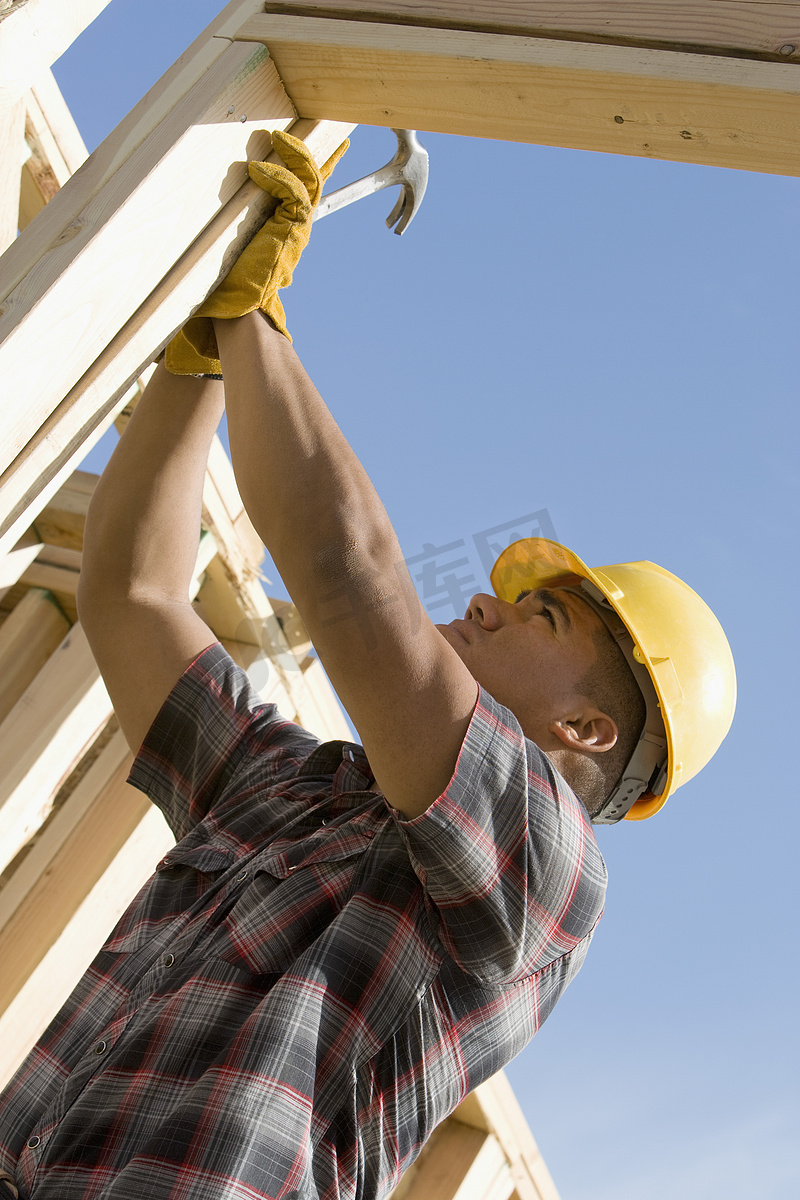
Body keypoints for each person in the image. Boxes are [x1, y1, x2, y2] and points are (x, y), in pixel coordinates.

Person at [0, 135, 735, 1200]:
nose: (481, 598)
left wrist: (255, 310)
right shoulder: (296, 791)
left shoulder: (547, 879)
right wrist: (201, 357)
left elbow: (349, 576)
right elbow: (133, 593)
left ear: (585, 731)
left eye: (539, 616)